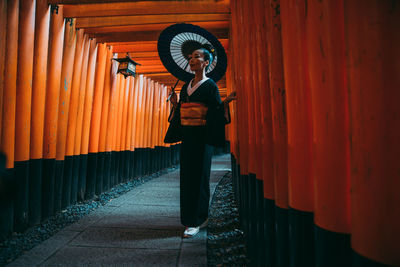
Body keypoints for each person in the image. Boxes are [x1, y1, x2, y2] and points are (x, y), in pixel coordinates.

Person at [169, 45, 237, 237]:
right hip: (188, 137)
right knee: (187, 178)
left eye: (197, 57)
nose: (192, 59)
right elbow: (181, 110)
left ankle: (196, 220)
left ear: (206, 62)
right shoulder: (185, 86)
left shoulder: (210, 86)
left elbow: (215, 111)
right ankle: (189, 218)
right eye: (190, 57)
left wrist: (225, 103)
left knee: (199, 178)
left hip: (202, 137)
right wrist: (175, 104)